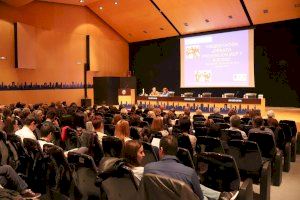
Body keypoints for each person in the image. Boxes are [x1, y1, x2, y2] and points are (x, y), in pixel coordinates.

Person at [144, 135, 238, 200]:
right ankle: (222, 196)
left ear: (160, 150)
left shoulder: (148, 168)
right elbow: (200, 197)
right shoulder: (189, 172)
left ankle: (221, 196)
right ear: (177, 150)